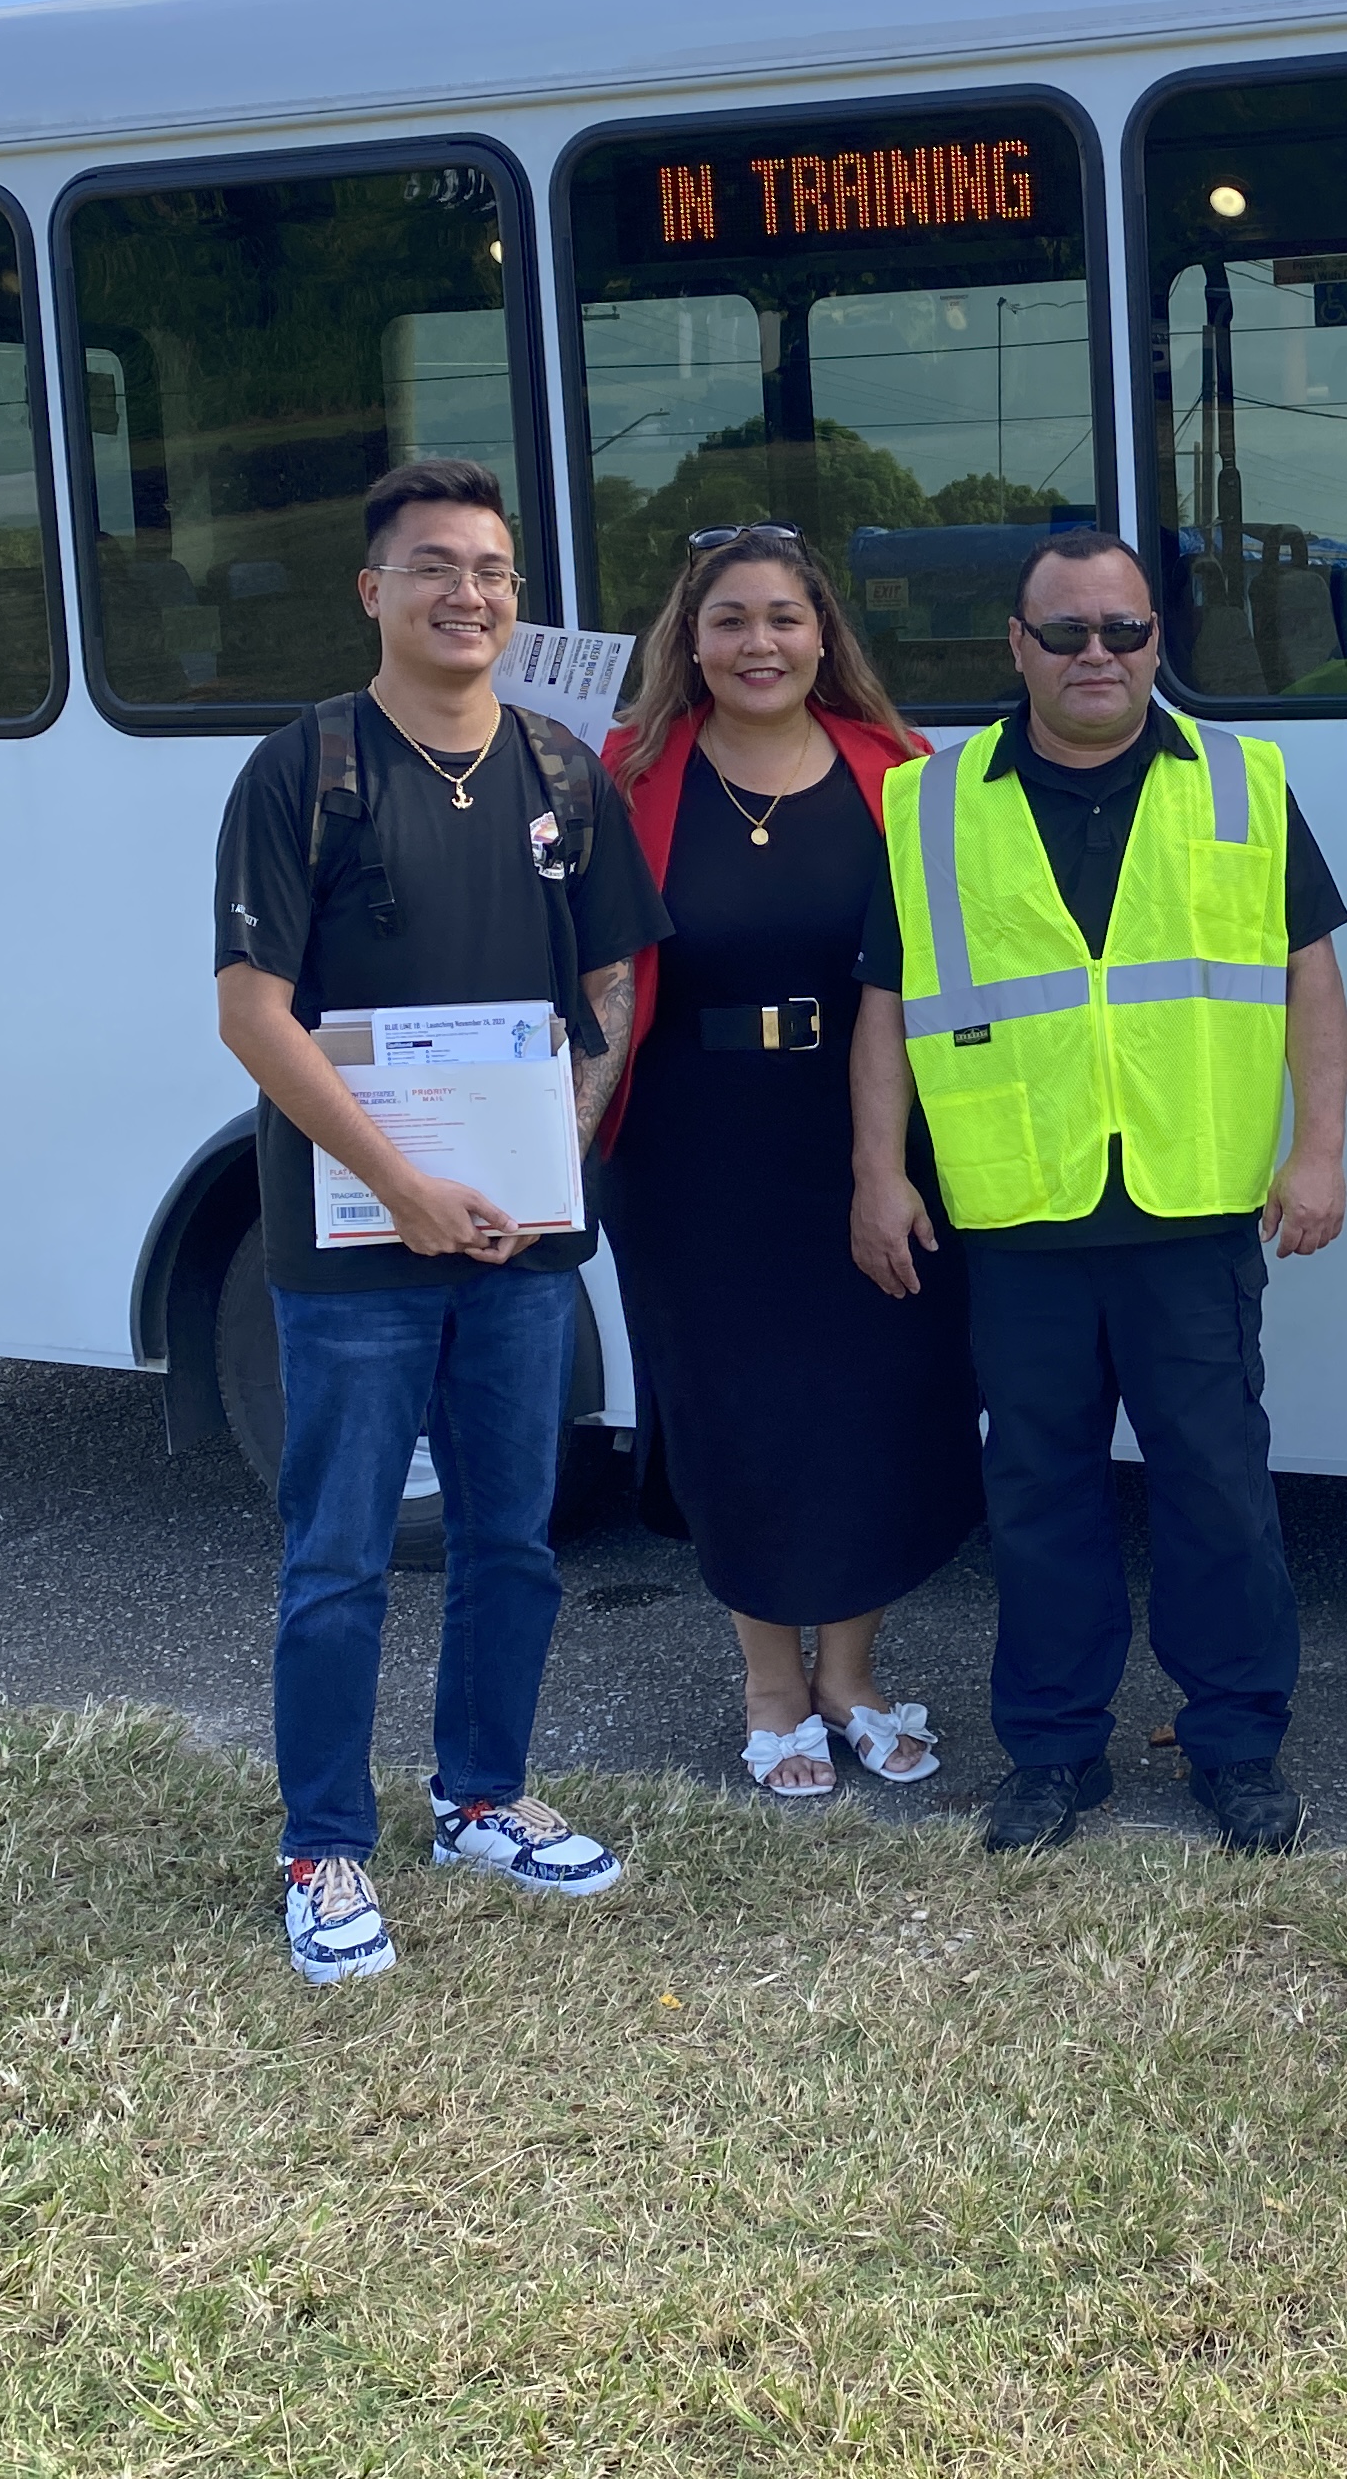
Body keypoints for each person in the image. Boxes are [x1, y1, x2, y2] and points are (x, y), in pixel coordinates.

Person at [213, 458, 669, 1985]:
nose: (467, 595)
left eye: (490, 571)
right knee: (339, 1552)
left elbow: (608, 984)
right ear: (374, 591)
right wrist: (405, 1187)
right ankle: (324, 1844)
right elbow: (251, 1016)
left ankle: (481, 1792)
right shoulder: (305, 769)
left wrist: (560, 1155)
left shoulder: (560, 770)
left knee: (512, 1538)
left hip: (524, 1247)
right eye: (434, 569)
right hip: (352, 1250)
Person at [849, 530, 1347, 1858]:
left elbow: (1309, 975)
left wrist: (1321, 1150)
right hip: (1020, 1212)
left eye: (1122, 631)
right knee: (1040, 1497)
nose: (1096, 655)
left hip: (1190, 1208)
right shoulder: (934, 804)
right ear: (1014, 644)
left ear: (1154, 643)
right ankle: (1055, 1755)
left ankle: (1236, 1745)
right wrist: (876, 1171)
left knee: (1218, 1491)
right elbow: (887, 1004)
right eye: (1064, 631)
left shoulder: (1242, 784)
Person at [598, 524, 981, 1803]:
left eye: (783, 618)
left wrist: (901, 1162)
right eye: (730, 621)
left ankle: (852, 1678)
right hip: (690, 1146)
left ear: (824, 636)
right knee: (737, 1413)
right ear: (690, 642)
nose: (758, 643)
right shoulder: (627, 771)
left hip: (868, 1132)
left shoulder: (904, 771)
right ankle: (771, 1684)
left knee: (872, 1404)